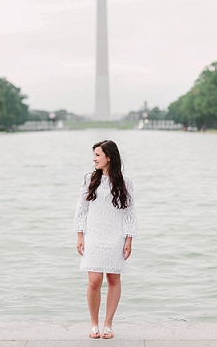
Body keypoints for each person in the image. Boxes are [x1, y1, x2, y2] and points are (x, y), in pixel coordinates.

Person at [73, 140, 138, 339]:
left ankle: (108, 324)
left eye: (98, 155)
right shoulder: (89, 179)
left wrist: (129, 239)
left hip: (115, 236)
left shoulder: (125, 182)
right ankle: (94, 324)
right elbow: (81, 208)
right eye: (94, 155)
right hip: (93, 235)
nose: (94, 159)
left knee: (113, 278)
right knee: (94, 281)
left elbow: (129, 212)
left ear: (109, 157)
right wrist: (80, 235)